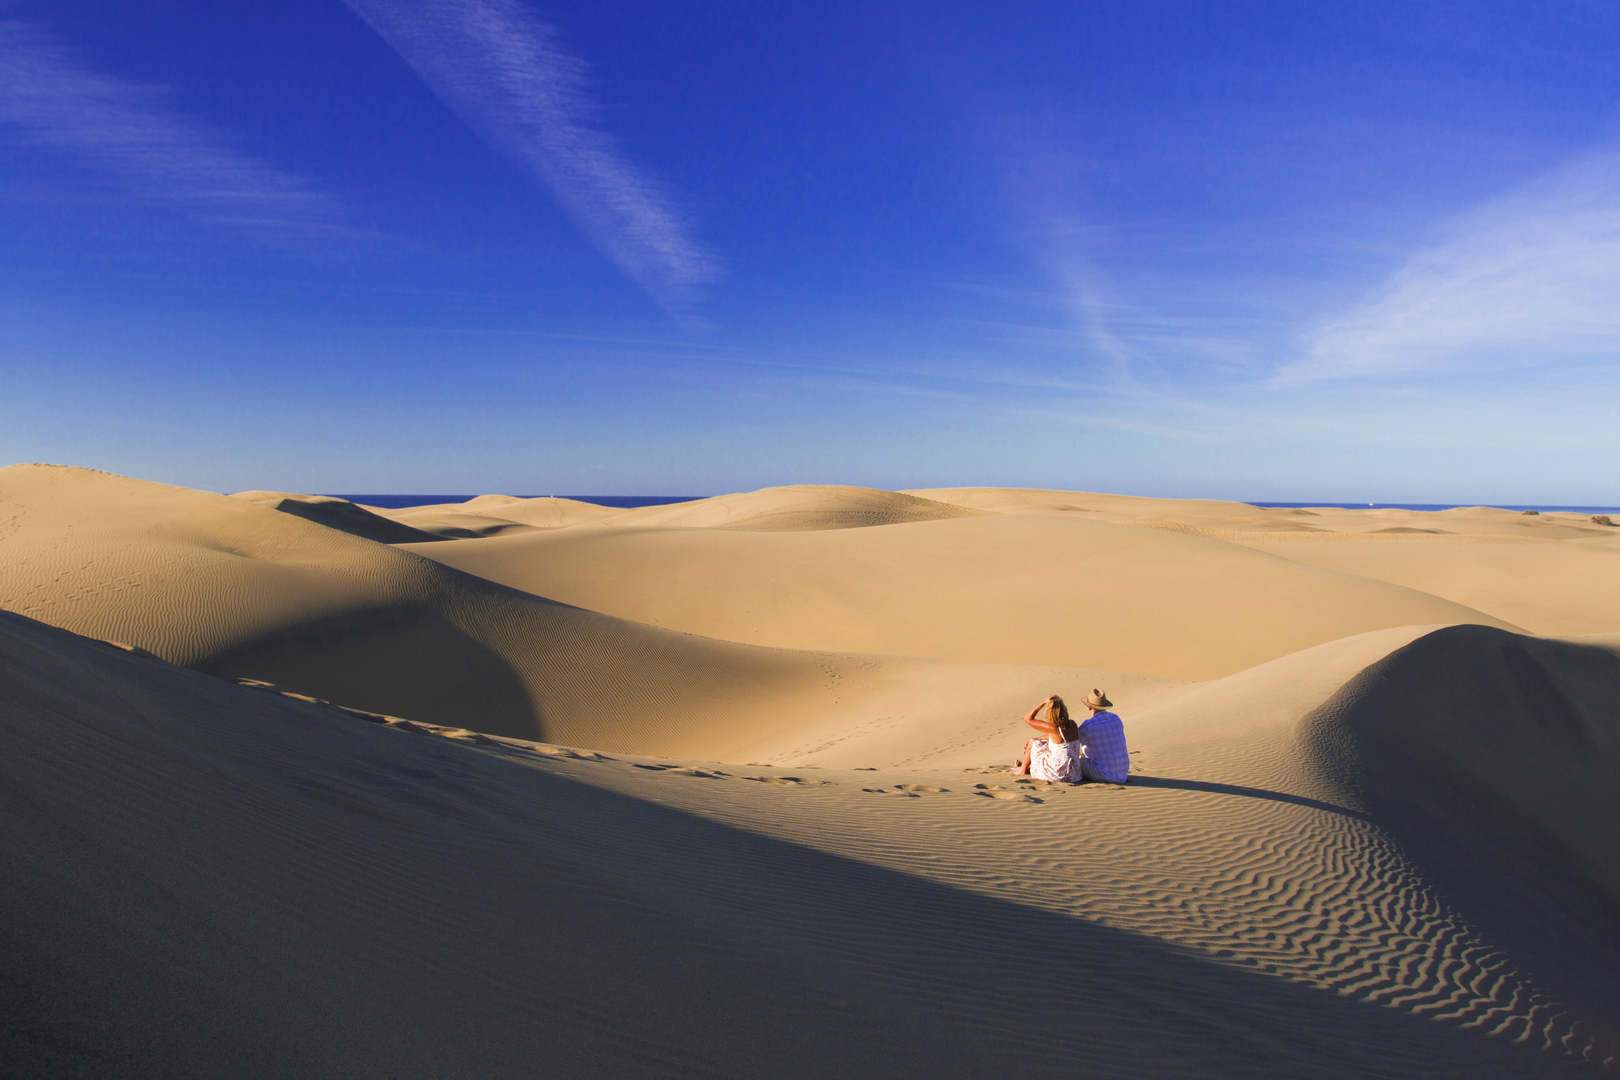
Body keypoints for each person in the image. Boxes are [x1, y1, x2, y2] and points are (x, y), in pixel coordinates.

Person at [1014, 695, 1082, 782]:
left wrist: (1044, 702)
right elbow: (1057, 737)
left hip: (1057, 775)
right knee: (1043, 745)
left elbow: (1028, 718)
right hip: (1075, 775)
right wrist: (1039, 738)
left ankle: (1022, 770)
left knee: (1033, 742)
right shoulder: (1072, 724)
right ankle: (1027, 767)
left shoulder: (1053, 728)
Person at [1075, 688, 1129, 784]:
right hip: (1123, 774)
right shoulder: (1116, 718)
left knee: (1077, 760)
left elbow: (1071, 740)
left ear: (1089, 708)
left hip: (1104, 775)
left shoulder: (1088, 725)